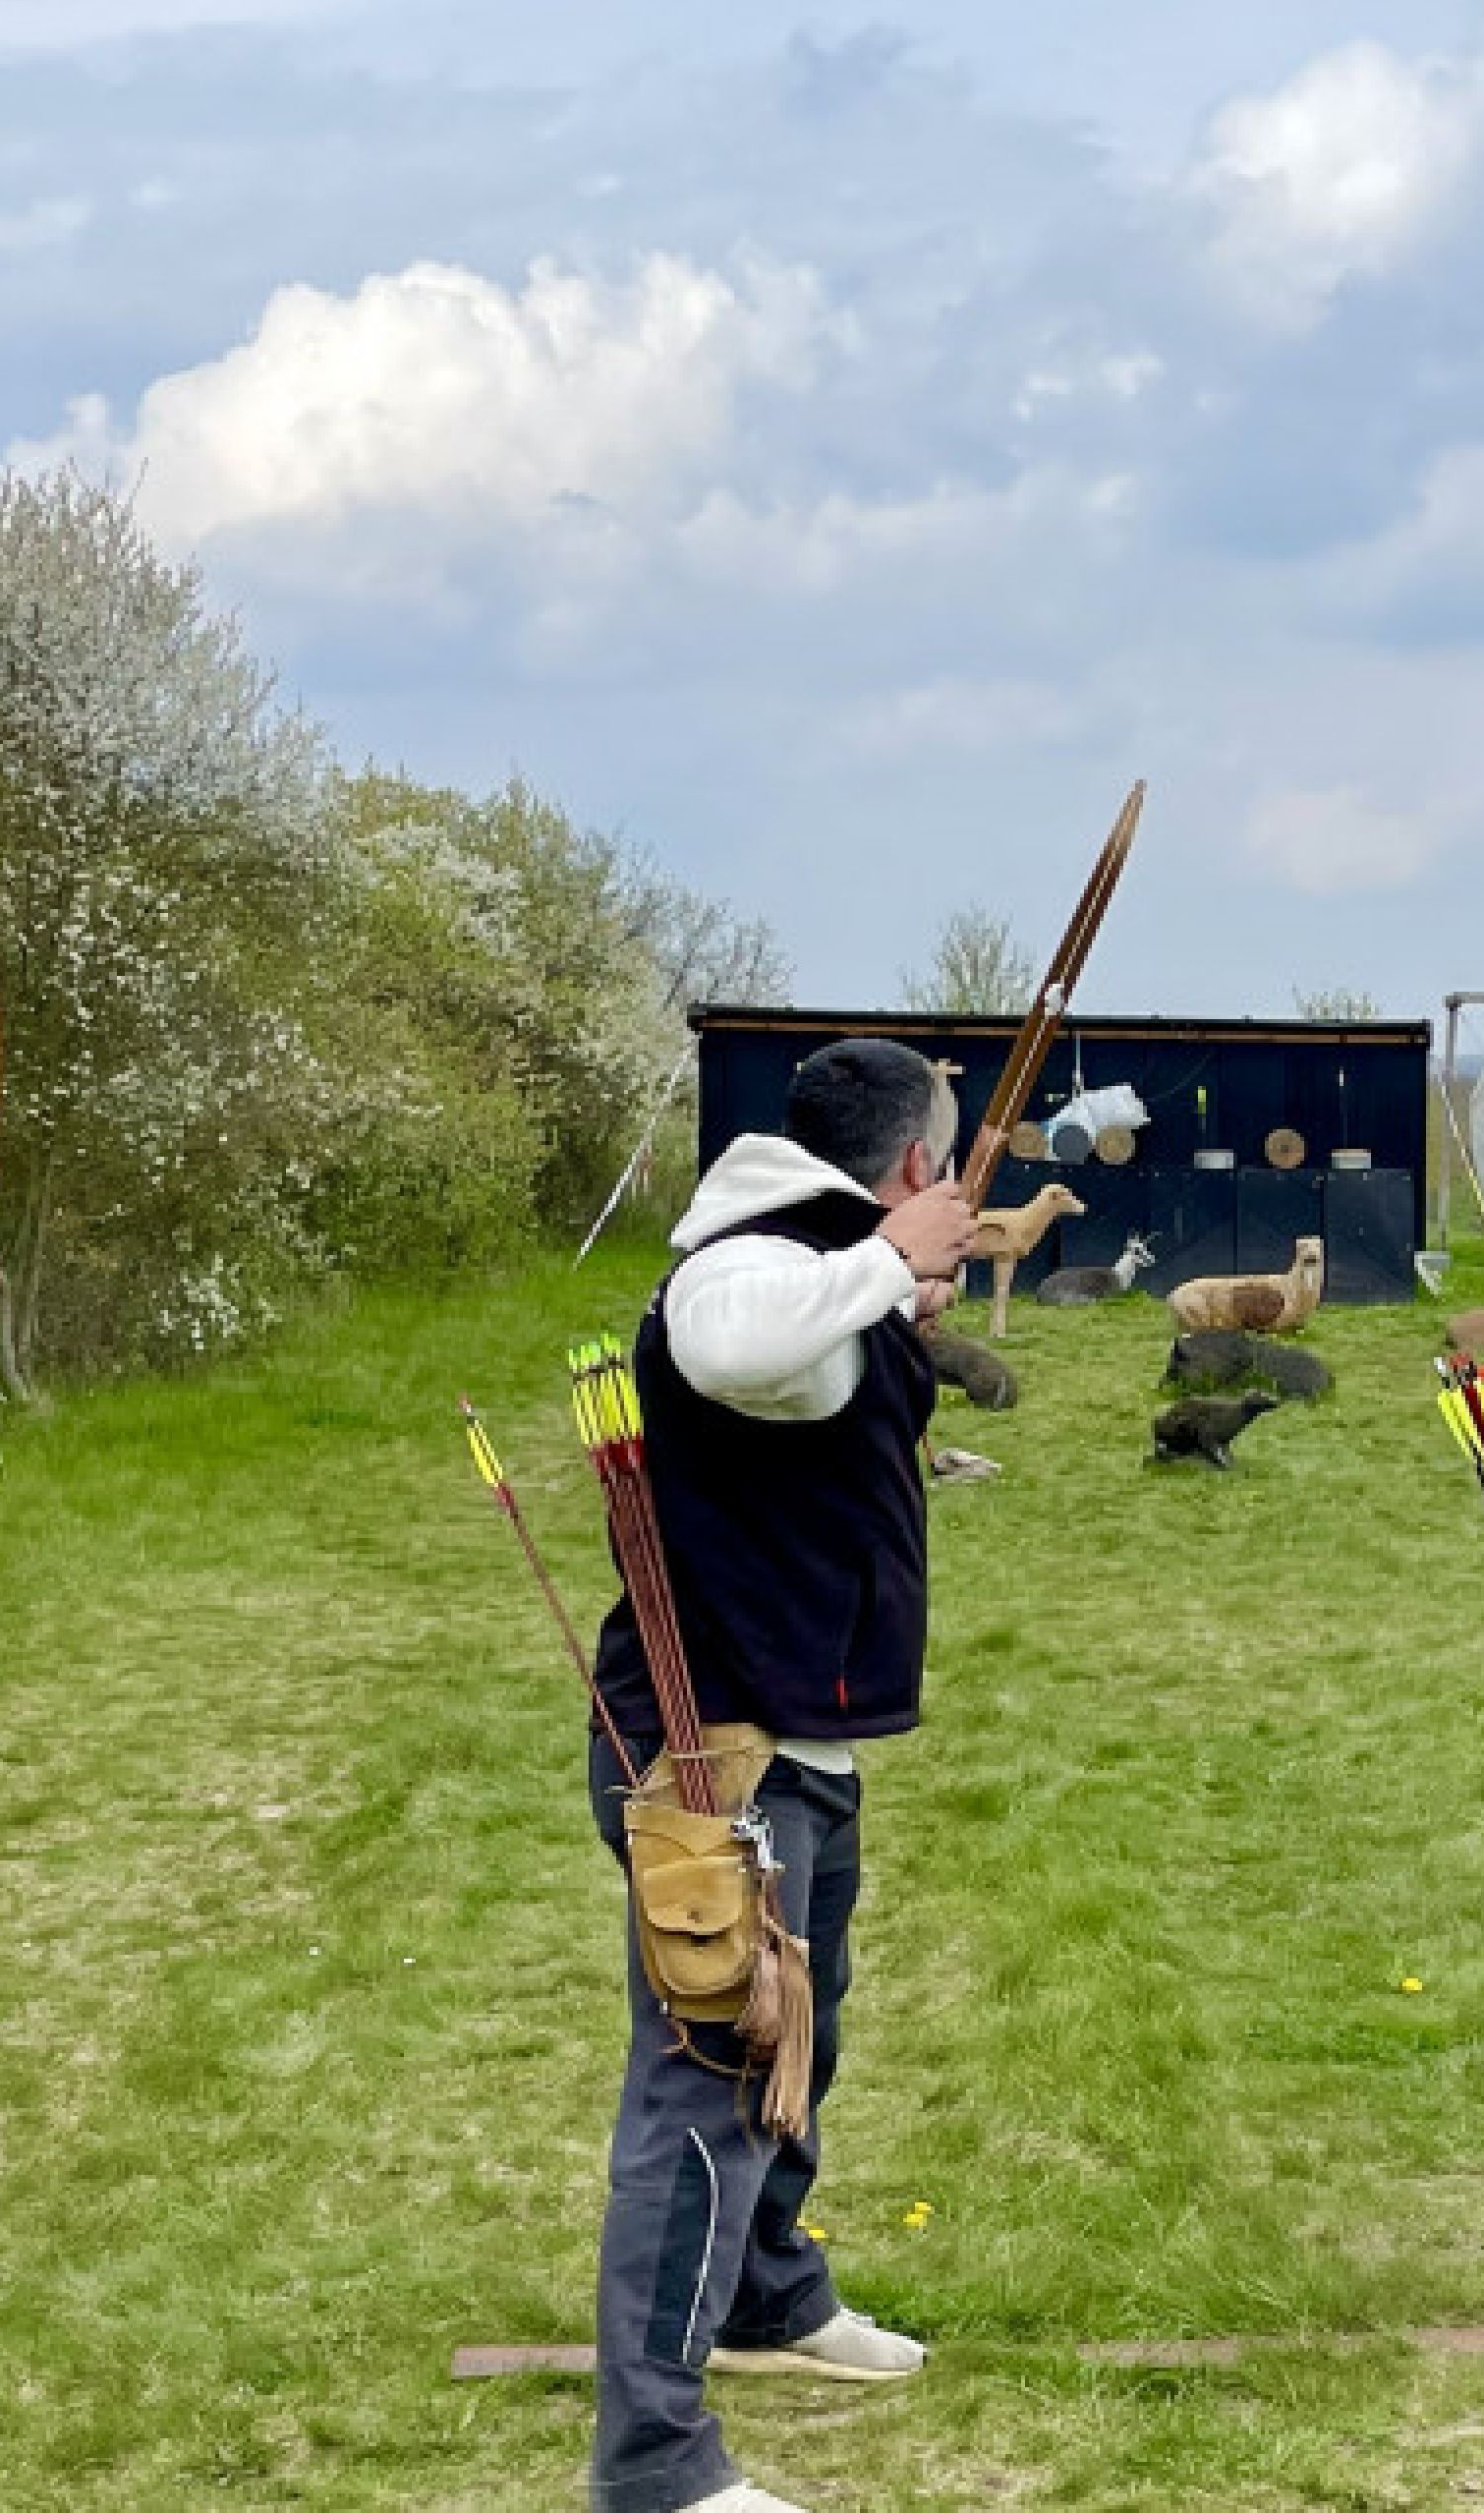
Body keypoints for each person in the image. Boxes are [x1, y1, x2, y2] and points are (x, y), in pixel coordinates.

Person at [582, 1039, 975, 2513]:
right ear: (917, 1167)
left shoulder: (820, 1258)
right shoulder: (764, 1254)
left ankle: (765, 2300)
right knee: (703, 2086)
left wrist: (891, 1295)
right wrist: (885, 1263)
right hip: (713, 1748)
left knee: (796, 2043)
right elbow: (723, 1341)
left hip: (793, 1736)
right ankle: (656, 2468)